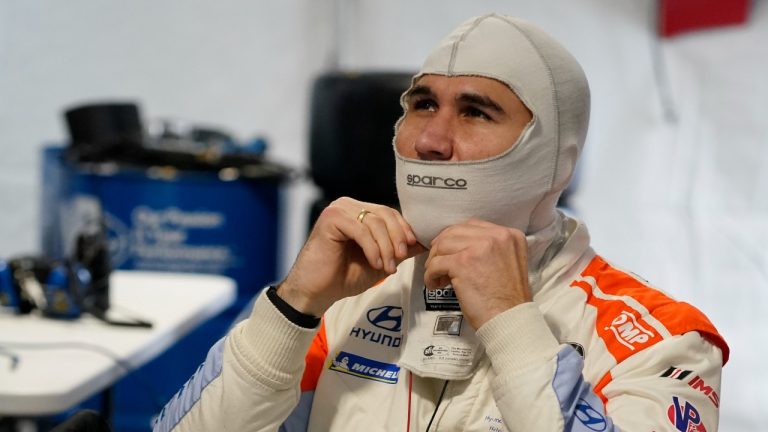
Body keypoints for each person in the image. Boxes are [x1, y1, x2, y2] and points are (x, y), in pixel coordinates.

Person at [153, 13, 728, 432]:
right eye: (421, 105)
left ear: (560, 160)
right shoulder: (343, 304)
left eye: (475, 111)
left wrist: (512, 324)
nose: (430, 140)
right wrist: (294, 305)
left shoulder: (664, 341)